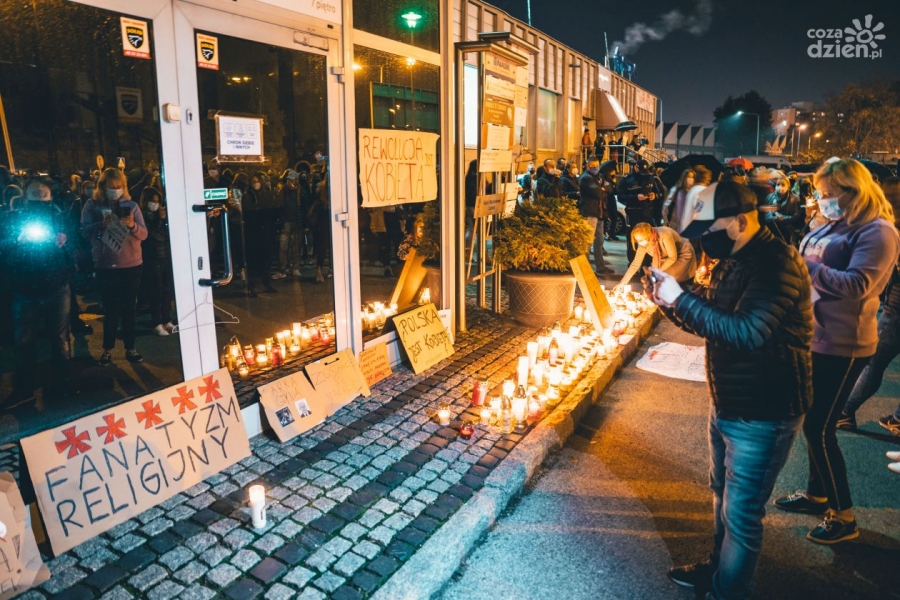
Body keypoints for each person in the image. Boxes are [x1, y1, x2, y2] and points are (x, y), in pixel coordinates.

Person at [648, 181, 813, 599]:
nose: (706, 240)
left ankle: (728, 591)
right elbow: (716, 315)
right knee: (722, 497)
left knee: (741, 516)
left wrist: (681, 299)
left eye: (711, 230)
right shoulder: (735, 259)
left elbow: (745, 332)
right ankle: (716, 571)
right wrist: (672, 302)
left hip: (765, 410)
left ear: (741, 221)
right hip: (729, 402)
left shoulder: (777, 264)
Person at [774, 159, 900, 544]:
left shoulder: (879, 231)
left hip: (845, 342)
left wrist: (804, 268)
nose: (821, 198)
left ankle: (843, 516)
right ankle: (817, 495)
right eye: (820, 192)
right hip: (814, 334)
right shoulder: (832, 224)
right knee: (811, 420)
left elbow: (860, 285)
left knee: (819, 426)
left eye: (829, 193)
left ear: (853, 191)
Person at [0, 177, 77, 406]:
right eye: (36, 196)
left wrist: (65, 242)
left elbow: (77, 248)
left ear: (50, 196)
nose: (40, 201)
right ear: (26, 197)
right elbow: (3, 249)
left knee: (60, 339)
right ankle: (24, 389)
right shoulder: (13, 218)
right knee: (24, 342)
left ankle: (63, 383)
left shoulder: (59, 216)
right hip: (26, 290)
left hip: (56, 287)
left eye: (44, 196)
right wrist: (17, 240)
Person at [837, 176, 900, 434]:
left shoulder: (890, 227)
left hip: (897, 308)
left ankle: (844, 412)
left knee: (874, 361)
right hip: (894, 303)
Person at [81, 167, 148, 366]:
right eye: (111, 186)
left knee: (129, 309)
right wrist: (101, 224)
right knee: (111, 310)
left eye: (119, 186)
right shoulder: (92, 205)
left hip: (131, 265)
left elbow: (144, 234)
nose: (115, 190)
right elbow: (83, 231)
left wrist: (132, 225)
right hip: (106, 266)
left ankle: (130, 348)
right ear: (102, 186)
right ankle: (107, 350)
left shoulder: (131, 206)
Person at [138, 187, 175, 336]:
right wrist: (160, 219)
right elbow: (152, 235)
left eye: (157, 201)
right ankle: (157, 322)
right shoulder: (143, 216)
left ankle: (167, 319)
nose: (155, 204)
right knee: (156, 290)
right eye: (152, 201)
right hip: (151, 257)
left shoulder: (162, 216)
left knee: (167, 290)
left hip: (165, 256)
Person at [617, 223, 695, 288]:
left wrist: (658, 271)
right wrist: (622, 283)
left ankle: (678, 296)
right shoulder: (643, 243)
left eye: (640, 240)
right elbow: (635, 264)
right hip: (664, 257)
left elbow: (672, 257)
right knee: (655, 279)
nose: (639, 242)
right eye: (637, 240)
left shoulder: (664, 235)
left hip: (681, 254)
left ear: (648, 235)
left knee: (667, 278)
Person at [617, 158, 665, 261]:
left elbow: (662, 193)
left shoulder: (652, 179)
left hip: (647, 214)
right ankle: (632, 262)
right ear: (635, 168)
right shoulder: (627, 180)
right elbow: (620, 197)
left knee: (649, 239)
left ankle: (646, 263)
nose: (643, 175)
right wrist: (635, 197)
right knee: (632, 240)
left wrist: (654, 196)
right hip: (633, 214)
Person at [243, 172, 278, 296]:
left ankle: (266, 283)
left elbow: (270, 212)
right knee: (253, 260)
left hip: (265, 231)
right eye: (254, 182)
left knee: (266, 259)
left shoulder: (265, 195)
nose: (256, 184)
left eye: (258, 181)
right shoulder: (247, 196)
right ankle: (251, 286)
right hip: (253, 232)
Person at [579, 157, 613, 275]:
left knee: (599, 241)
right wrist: (603, 189)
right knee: (587, 242)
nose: (596, 168)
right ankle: (585, 269)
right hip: (590, 212)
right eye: (593, 166)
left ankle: (600, 267)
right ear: (588, 166)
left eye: (597, 166)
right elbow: (598, 193)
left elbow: (610, 188)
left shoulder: (599, 176)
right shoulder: (586, 178)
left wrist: (604, 189)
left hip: (599, 213)